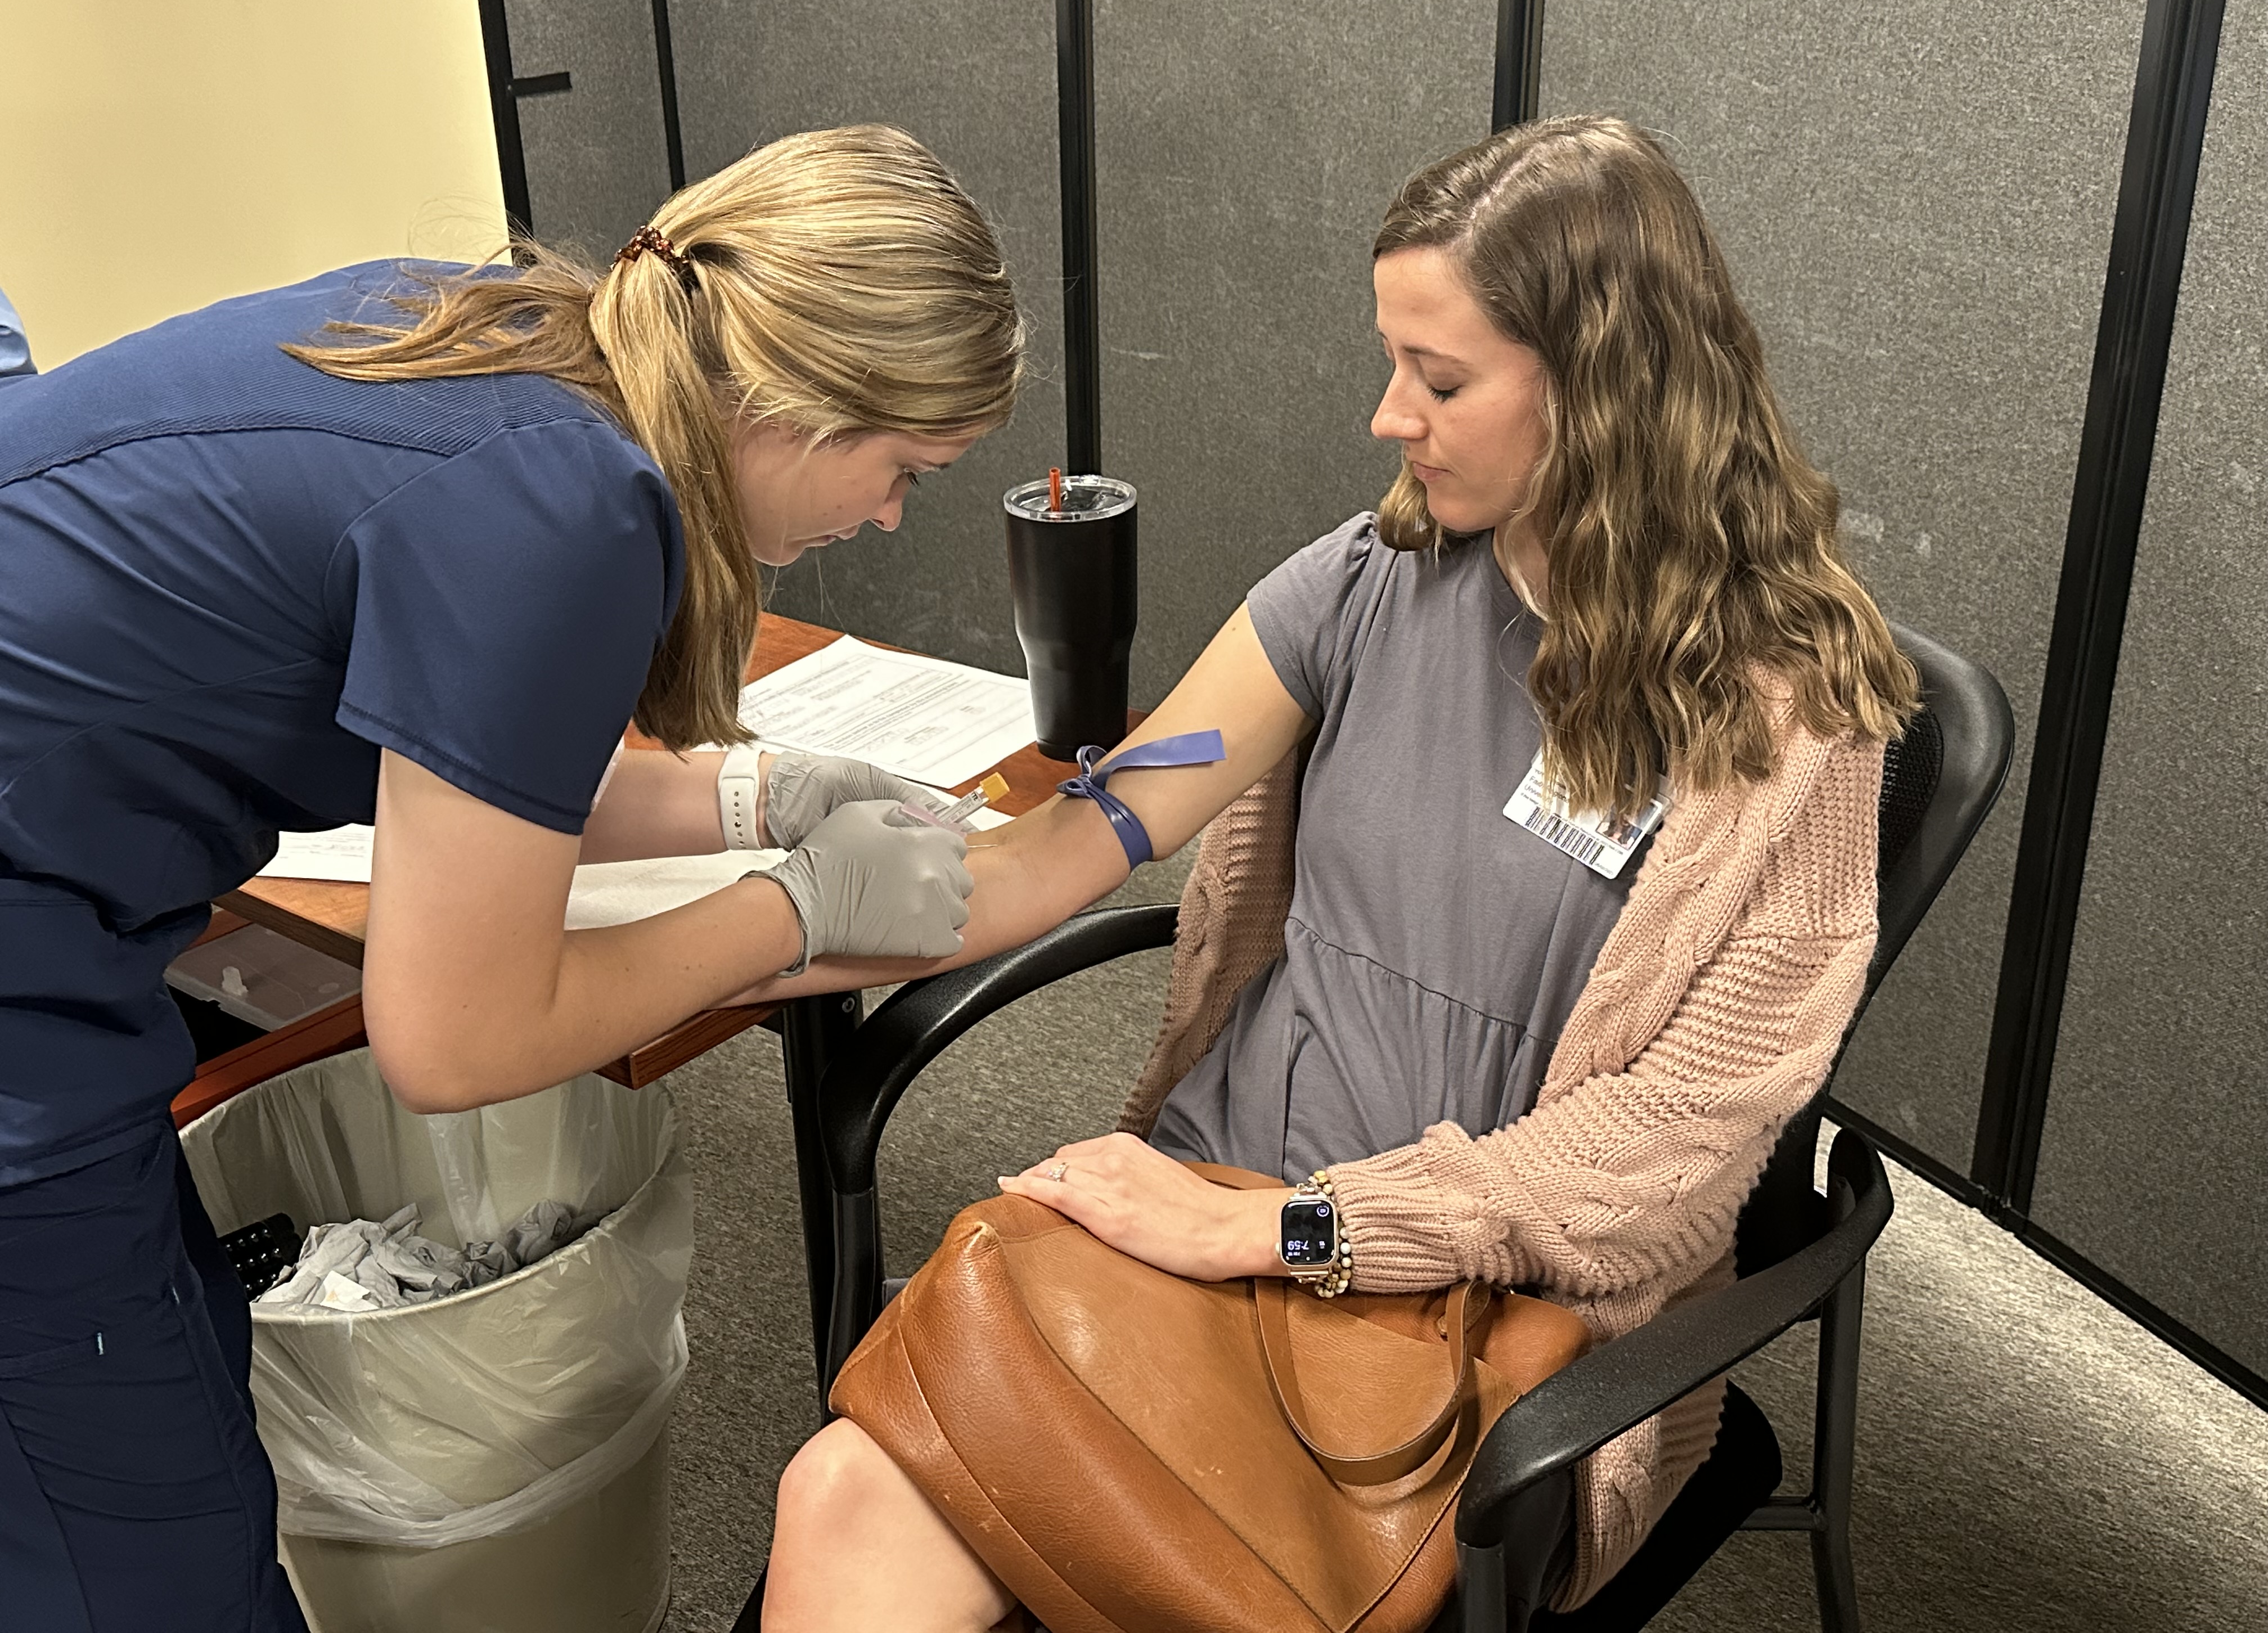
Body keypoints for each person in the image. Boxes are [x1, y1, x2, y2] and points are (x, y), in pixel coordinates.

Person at [754, 115, 1920, 1631]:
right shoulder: (1359, 589)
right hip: (1204, 1208)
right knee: (834, 1491)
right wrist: (769, 919)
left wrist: (1299, 1229)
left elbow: (1675, 1155)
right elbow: (1094, 830)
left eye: (1438, 381)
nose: (1390, 415)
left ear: (1609, 392)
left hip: (1471, 1330)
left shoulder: (1795, 724)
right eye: (1394, 364)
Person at [0, 124, 1015, 1632]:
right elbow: (453, 1039)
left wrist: (747, 794)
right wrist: (793, 910)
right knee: (150, 1548)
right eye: (904, 471)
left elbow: (475, 768)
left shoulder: (505, 332)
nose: (885, 517)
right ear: (800, 407)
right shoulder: (573, 518)